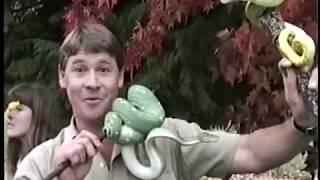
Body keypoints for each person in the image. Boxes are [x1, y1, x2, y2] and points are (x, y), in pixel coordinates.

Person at [13, 23, 318, 180]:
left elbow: (250, 152)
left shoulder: (166, 138)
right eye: (80, 69)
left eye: (103, 69)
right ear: (62, 77)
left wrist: (303, 121)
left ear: (120, 77)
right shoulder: (41, 164)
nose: (92, 82)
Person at [4, 83, 62, 179]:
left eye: (18, 109)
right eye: (9, 108)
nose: (9, 115)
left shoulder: (55, 159)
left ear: (38, 115)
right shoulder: (11, 164)